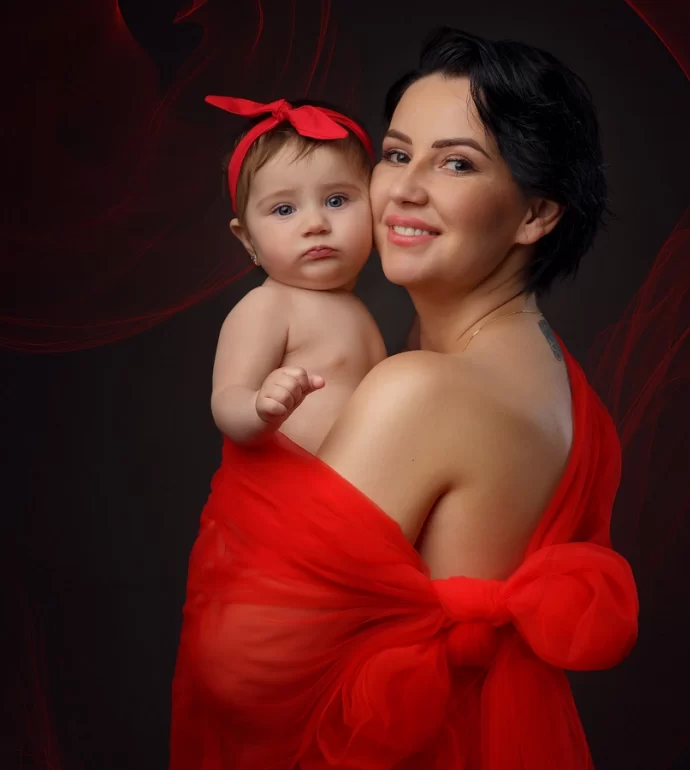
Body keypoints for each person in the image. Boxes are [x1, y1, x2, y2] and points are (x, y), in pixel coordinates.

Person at [170, 28, 639, 770]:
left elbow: (239, 670)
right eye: (395, 154)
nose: (404, 189)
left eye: (455, 162)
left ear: (534, 215)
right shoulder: (570, 393)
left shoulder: (420, 391)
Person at [206, 95, 386, 454]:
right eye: (284, 209)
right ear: (247, 239)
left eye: (336, 200)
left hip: (357, 493)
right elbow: (227, 400)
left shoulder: (354, 306)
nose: (316, 224)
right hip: (288, 497)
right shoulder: (269, 304)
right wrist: (259, 408)